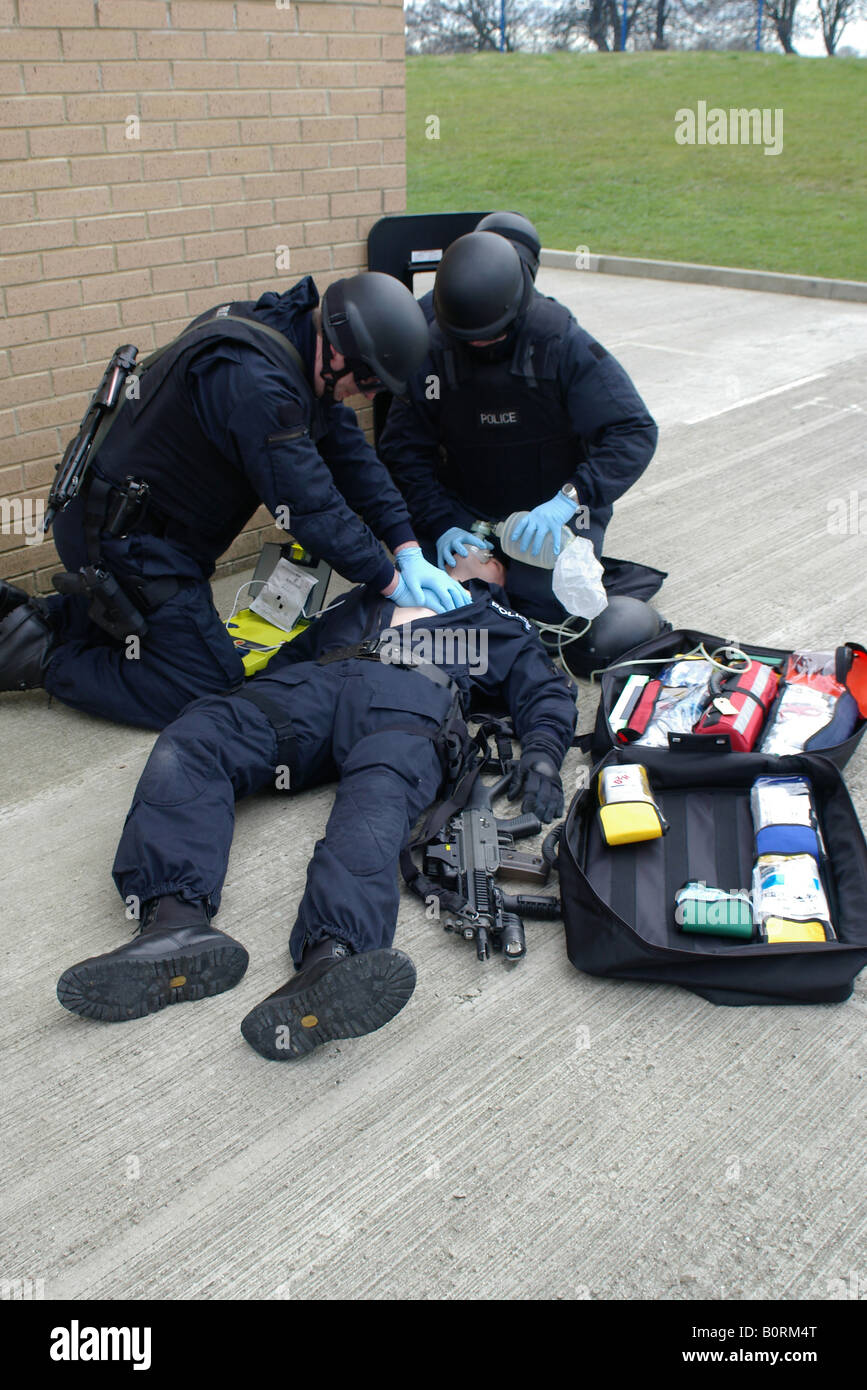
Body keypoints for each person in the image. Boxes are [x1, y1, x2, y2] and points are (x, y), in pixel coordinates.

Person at [55, 549, 577, 1062]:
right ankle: (173, 923)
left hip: (408, 692)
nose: (470, 550)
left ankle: (332, 961)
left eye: (486, 553)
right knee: (197, 736)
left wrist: (544, 756)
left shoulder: (494, 618)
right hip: (314, 686)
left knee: (379, 794)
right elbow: (291, 657)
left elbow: (545, 692)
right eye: (463, 543)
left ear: (499, 575)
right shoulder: (376, 589)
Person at [0, 272, 469, 729]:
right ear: (339, 352)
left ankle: (31, 620)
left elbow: (351, 457)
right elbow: (312, 507)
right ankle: (42, 658)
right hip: (124, 541)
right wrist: (389, 581)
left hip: (137, 529)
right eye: (367, 380)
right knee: (205, 685)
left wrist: (407, 548)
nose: (367, 394)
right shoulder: (255, 383)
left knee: (163, 638)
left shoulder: (291, 340)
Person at [378, 221, 663, 657]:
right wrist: (441, 522)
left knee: (550, 614)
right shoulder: (432, 345)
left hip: (553, 504)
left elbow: (632, 431)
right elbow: (402, 450)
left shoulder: (558, 340)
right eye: (468, 340)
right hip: (464, 505)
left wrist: (569, 500)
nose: (480, 347)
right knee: (452, 604)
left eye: (490, 337)